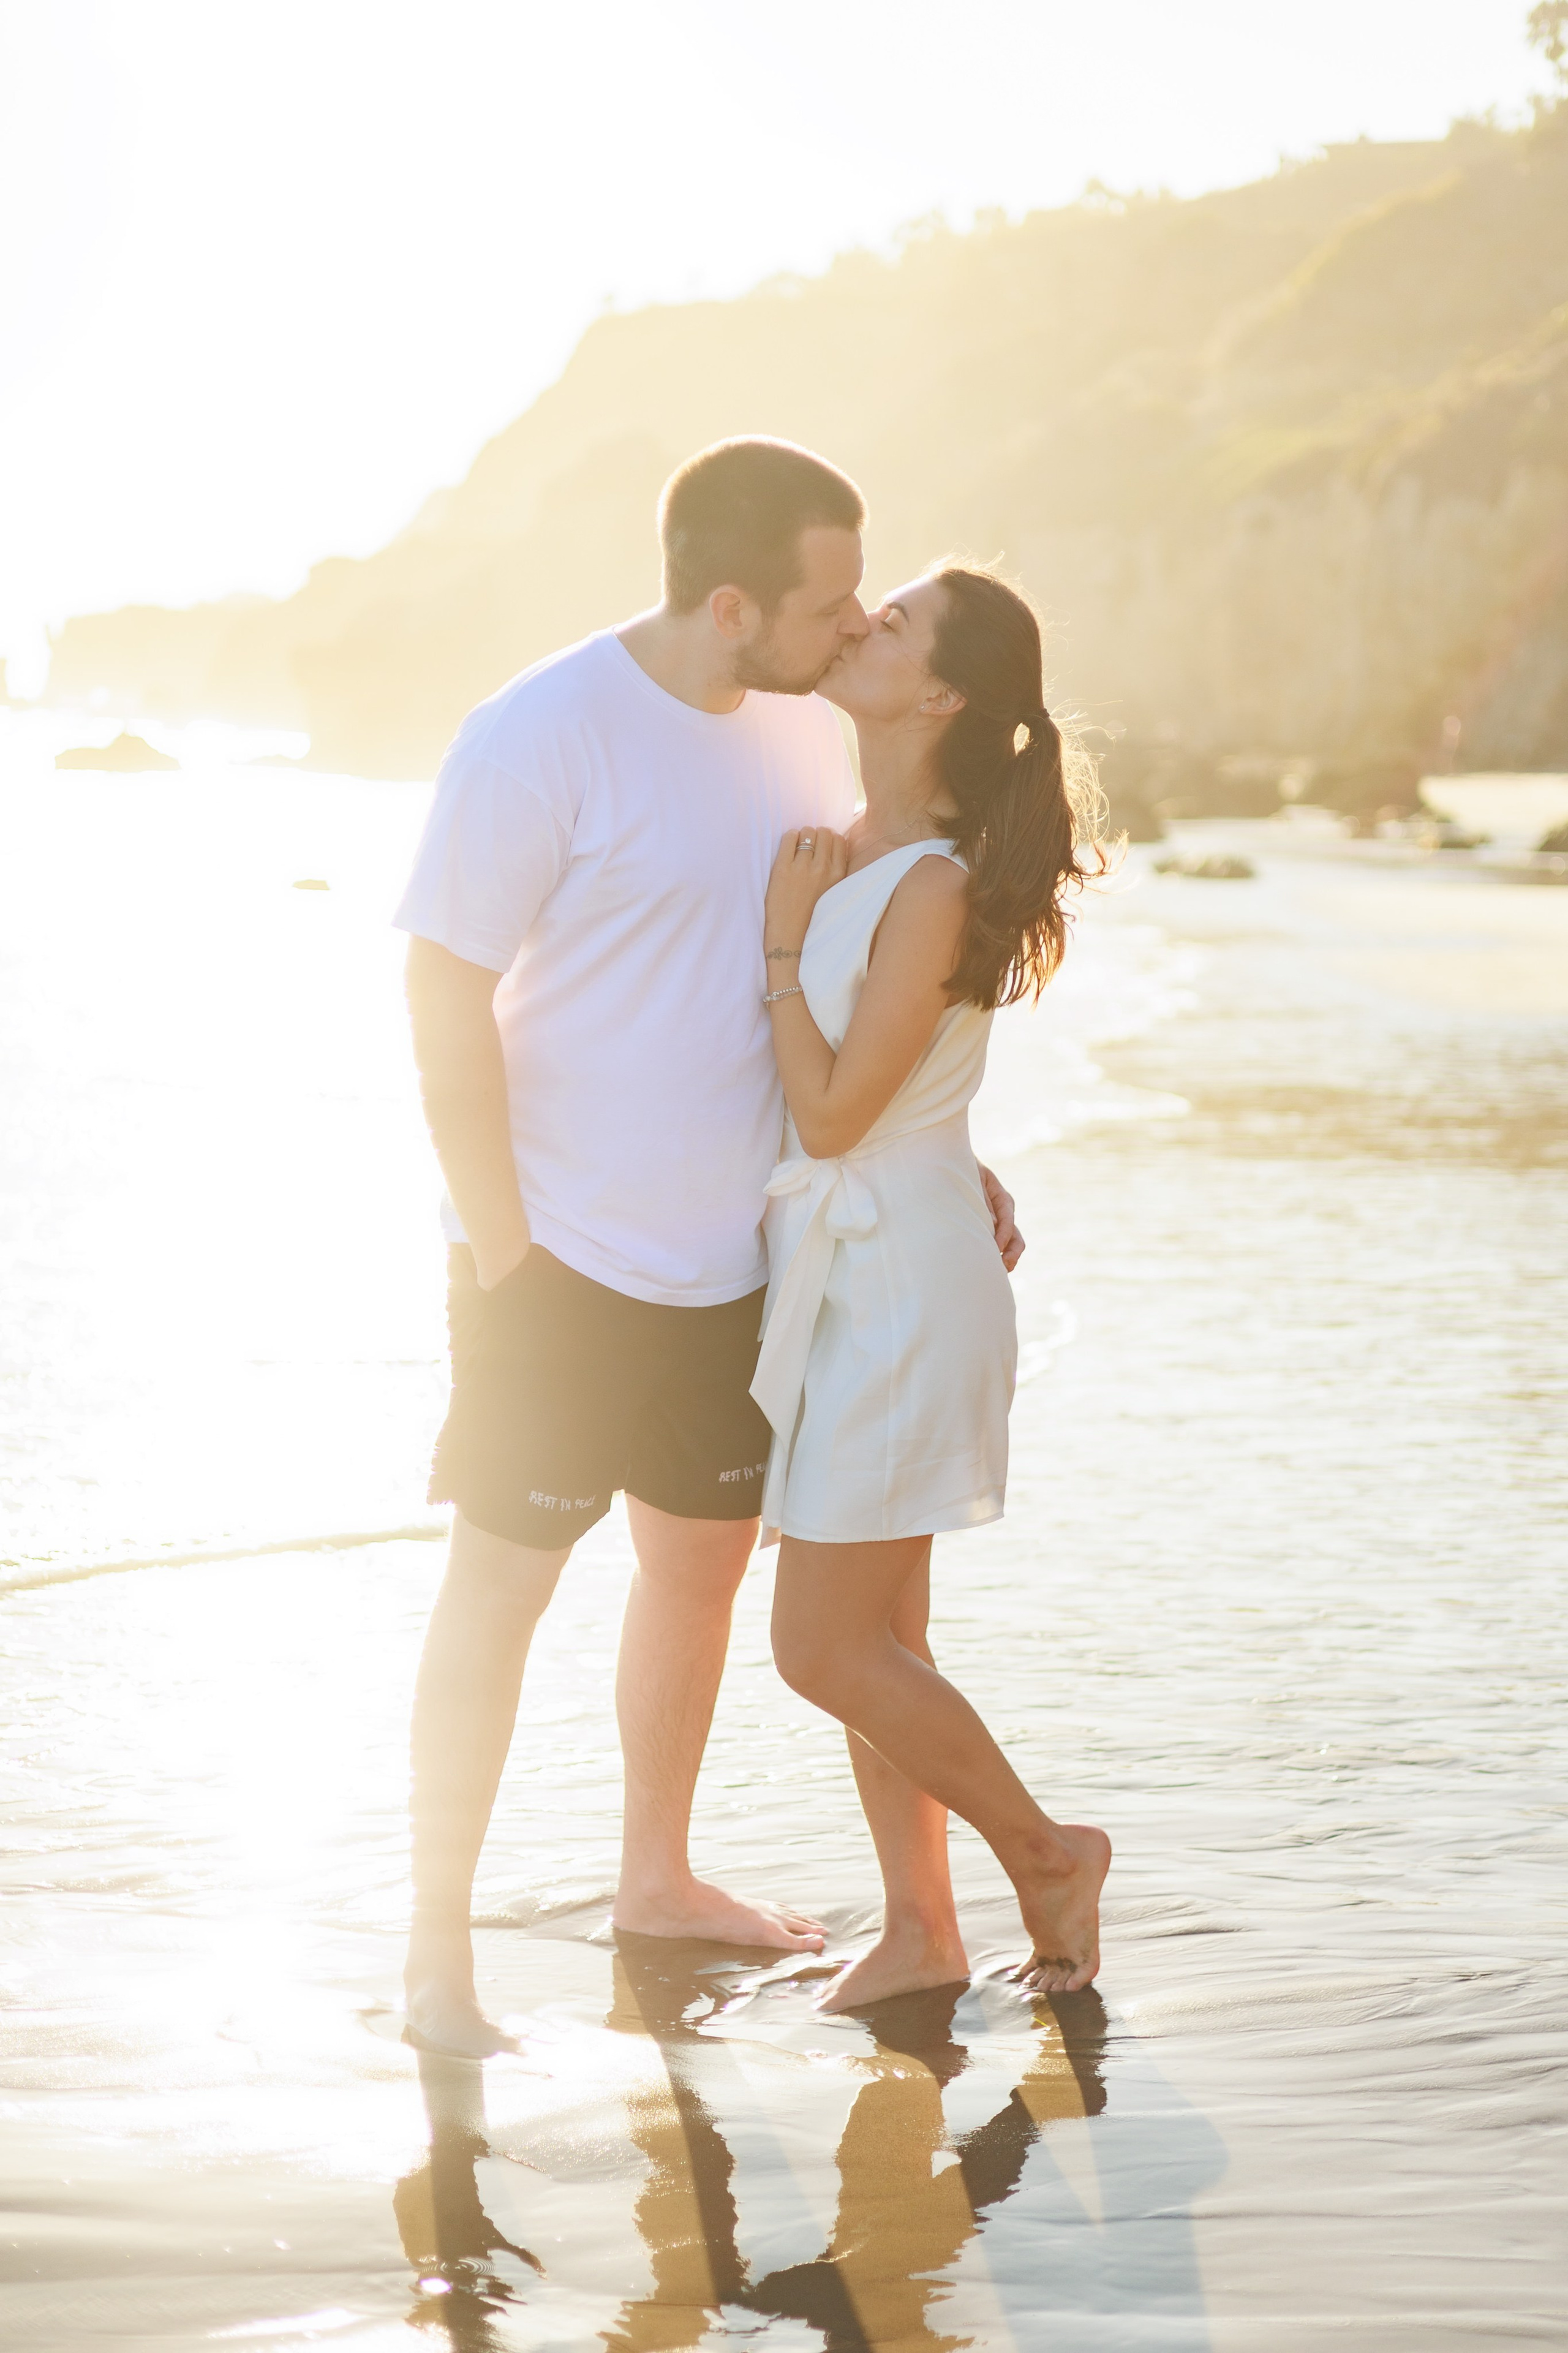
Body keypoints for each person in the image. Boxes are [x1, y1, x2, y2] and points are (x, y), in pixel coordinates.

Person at [391, 441, 1023, 2058]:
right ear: (730, 603)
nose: (856, 620)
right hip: (559, 1264)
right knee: (501, 1593)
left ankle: (656, 1876)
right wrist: (510, 1255)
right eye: (828, 601)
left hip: (746, 1267)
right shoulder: (542, 736)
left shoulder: (811, 739)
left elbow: (848, 986)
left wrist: (956, 1147)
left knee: (697, 1577)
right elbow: (444, 989)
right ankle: (435, 1952)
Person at [754, 561, 1112, 2009]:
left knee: (819, 1645)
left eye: (889, 622)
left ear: (944, 695)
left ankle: (1043, 1852)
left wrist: (782, 947)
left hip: (896, 1282)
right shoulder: (853, 846)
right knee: (882, 1641)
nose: (860, 625)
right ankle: (921, 1929)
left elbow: (835, 1115)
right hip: (866, 1262)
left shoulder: (930, 880)